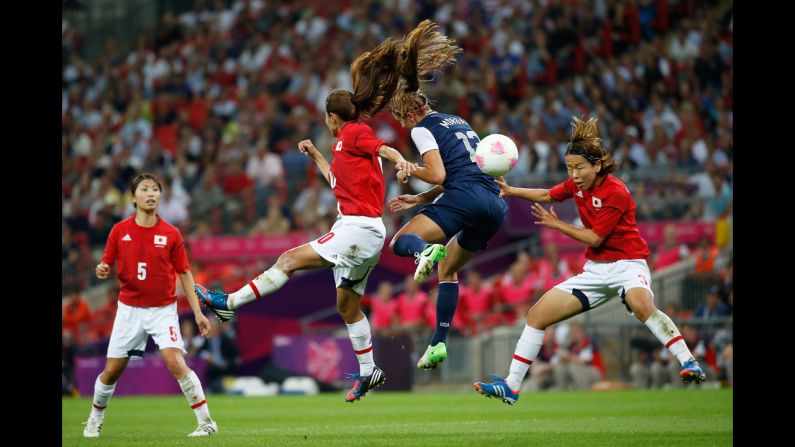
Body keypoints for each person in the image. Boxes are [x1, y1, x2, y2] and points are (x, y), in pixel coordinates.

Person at [195, 38, 416, 403]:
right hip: (364, 230)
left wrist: (401, 161)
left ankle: (228, 304)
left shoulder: (354, 133)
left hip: (357, 229)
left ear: (333, 116)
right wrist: (315, 155)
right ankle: (369, 372)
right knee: (348, 308)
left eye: (326, 119)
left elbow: (382, 146)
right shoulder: (343, 146)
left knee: (288, 260)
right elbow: (337, 182)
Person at [474, 117, 706, 405]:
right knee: (536, 316)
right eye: (570, 168)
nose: (574, 174)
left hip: (628, 265)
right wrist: (512, 191)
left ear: (597, 165)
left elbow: (595, 238)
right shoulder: (576, 184)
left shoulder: (616, 191)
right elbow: (548, 194)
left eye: (579, 167)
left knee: (642, 305)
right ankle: (512, 386)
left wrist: (557, 225)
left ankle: (689, 361)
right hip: (595, 271)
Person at [385, 20, 508, 370]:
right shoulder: (457, 121)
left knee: (400, 241)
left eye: (403, 121)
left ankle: (423, 251)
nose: (406, 127)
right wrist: (420, 200)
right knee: (448, 270)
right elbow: (456, 171)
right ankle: (438, 343)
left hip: (464, 196)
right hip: (493, 204)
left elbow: (437, 173)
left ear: (410, 113)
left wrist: (410, 169)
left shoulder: (423, 129)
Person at [84, 174, 217, 437]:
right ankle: (93, 419)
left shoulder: (171, 233)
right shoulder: (119, 231)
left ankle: (207, 423)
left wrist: (199, 312)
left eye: (155, 189)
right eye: (144, 189)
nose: (151, 193)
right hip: (129, 310)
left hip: (162, 310)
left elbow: (185, 273)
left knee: (176, 362)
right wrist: (101, 268)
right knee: (111, 373)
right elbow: (106, 264)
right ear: (133, 198)